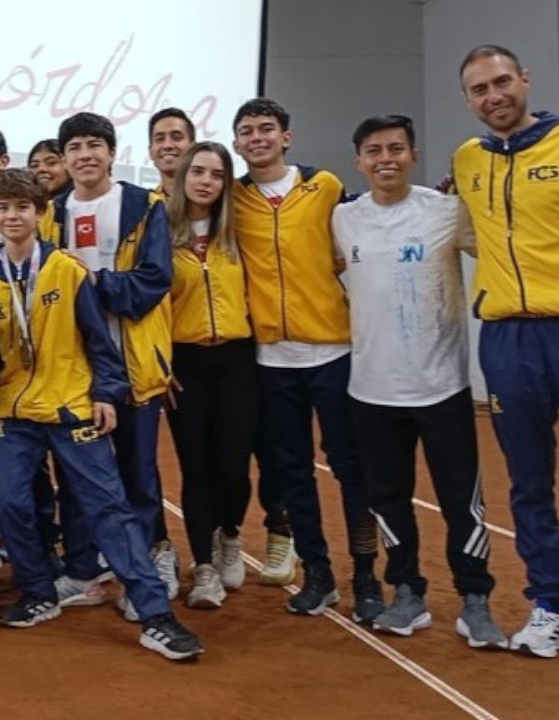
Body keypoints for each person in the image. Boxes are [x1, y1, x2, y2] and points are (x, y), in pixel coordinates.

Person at [0, 168, 201, 660]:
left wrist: (106, 392)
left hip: (73, 407)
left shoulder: (67, 270)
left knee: (109, 510)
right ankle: (38, 592)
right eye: (3, 208)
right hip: (13, 408)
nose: (12, 216)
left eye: (22, 207)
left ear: (40, 214)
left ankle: (156, 615)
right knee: (7, 503)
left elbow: (101, 339)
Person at [334, 114, 506, 647]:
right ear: (358, 160)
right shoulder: (343, 219)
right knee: (388, 497)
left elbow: (500, 247)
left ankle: (475, 597)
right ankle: (406, 590)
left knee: (462, 499)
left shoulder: (448, 211)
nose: (385, 158)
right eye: (373, 150)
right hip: (370, 388)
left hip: (443, 387)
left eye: (396, 148)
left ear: (414, 154)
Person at [231, 97, 380, 618]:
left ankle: (365, 573)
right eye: (247, 131)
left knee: (350, 466)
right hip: (272, 360)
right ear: (236, 144)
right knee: (292, 472)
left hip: (333, 351)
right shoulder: (234, 199)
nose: (257, 138)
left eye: (266, 129)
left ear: (286, 137)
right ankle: (318, 573)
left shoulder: (326, 188)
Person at [453, 44, 559, 658]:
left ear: (525, 78)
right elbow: (466, 232)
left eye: (501, 82)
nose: (493, 96)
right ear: (468, 100)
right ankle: (550, 602)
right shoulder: (468, 159)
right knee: (528, 482)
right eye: (479, 89)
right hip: (508, 338)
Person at [50, 112, 180, 611]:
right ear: (63, 159)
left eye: (94, 145)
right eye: (75, 147)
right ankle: (86, 567)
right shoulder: (52, 211)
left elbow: (153, 280)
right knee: (79, 472)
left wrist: (93, 285)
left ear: (111, 151)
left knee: (136, 471)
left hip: (133, 363)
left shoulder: (144, 205)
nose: (85, 155)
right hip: (73, 367)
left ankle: (147, 565)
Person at [163, 142, 256, 609]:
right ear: (182, 179)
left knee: (235, 468)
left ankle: (231, 535)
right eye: (197, 172)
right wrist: (160, 363)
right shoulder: (161, 233)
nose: (205, 181)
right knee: (196, 467)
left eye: (216, 175)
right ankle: (203, 568)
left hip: (237, 360)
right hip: (185, 365)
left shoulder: (239, 233)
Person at [148, 108, 196, 197]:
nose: (167, 145)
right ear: (150, 152)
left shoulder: (221, 200)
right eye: (160, 139)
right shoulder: (146, 206)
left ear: (193, 148)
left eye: (177, 137)